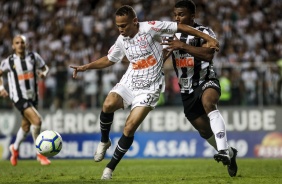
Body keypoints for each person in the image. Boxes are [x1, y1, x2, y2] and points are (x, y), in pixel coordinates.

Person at [70, 5, 219, 180]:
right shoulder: (121, 40)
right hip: (130, 81)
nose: (121, 29)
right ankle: (104, 141)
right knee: (108, 104)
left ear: (135, 21)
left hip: (151, 87)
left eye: (124, 25)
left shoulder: (151, 27)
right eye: (118, 26)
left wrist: (208, 38)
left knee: (129, 127)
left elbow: (180, 27)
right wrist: (86, 67)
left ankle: (109, 169)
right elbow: (110, 59)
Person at [161, 0, 238, 177]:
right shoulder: (170, 34)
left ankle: (223, 152)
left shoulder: (204, 32)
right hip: (186, 89)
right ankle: (230, 152)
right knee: (204, 130)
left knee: (209, 103)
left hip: (206, 80)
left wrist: (184, 47)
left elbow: (209, 54)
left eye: (181, 14)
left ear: (192, 15)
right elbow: (162, 55)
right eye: (175, 14)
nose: (177, 17)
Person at [0, 35, 51, 166]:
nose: (20, 45)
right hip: (18, 97)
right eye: (17, 43)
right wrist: (1, 87)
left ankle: (14, 148)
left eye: (22, 42)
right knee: (37, 120)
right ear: (13, 46)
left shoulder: (33, 57)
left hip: (33, 96)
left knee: (26, 126)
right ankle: (40, 154)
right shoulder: (9, 61)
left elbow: (45, 68)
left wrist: (43, 74)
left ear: (26, 44)